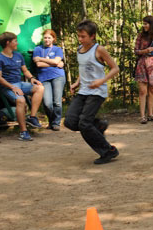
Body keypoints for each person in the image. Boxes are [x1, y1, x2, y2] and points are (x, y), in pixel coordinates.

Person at [65, 20, 120, 164]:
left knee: (84, 124)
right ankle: (99, 126)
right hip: (83, 90)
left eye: (83, 36)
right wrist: (77, 82)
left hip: (97, 92)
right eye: (79, 36)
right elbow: (83, 69)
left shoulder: (99, 50)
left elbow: (115, 68)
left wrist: (102, 80)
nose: (80, 39)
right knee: (70, 122)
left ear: (92, 36)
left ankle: (109, 151)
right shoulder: (79, 50)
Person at [0, 32, 45, 141]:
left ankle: (32, 117)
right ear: (8, 43)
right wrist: (13, 87)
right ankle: (23, 132)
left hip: (20, 83)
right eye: (15, 41)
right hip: (8, 86)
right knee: (21, 101)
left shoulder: (18, 55)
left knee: (40, 88)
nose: (17, 43)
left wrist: (32, 79)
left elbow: (25, 70)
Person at [33, 29, 66, 130]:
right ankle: (51, 121)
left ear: (53, 39)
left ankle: (56, 123)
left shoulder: (57, 49)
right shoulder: (38, 49)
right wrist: (54, 63)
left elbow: (56, 62)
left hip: (58, 76)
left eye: (49, 38)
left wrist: (41, 59)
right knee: (47, 103)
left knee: (57, 101)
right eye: (45, 38)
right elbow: (38, 64)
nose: (47, 39)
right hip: (43, 78)